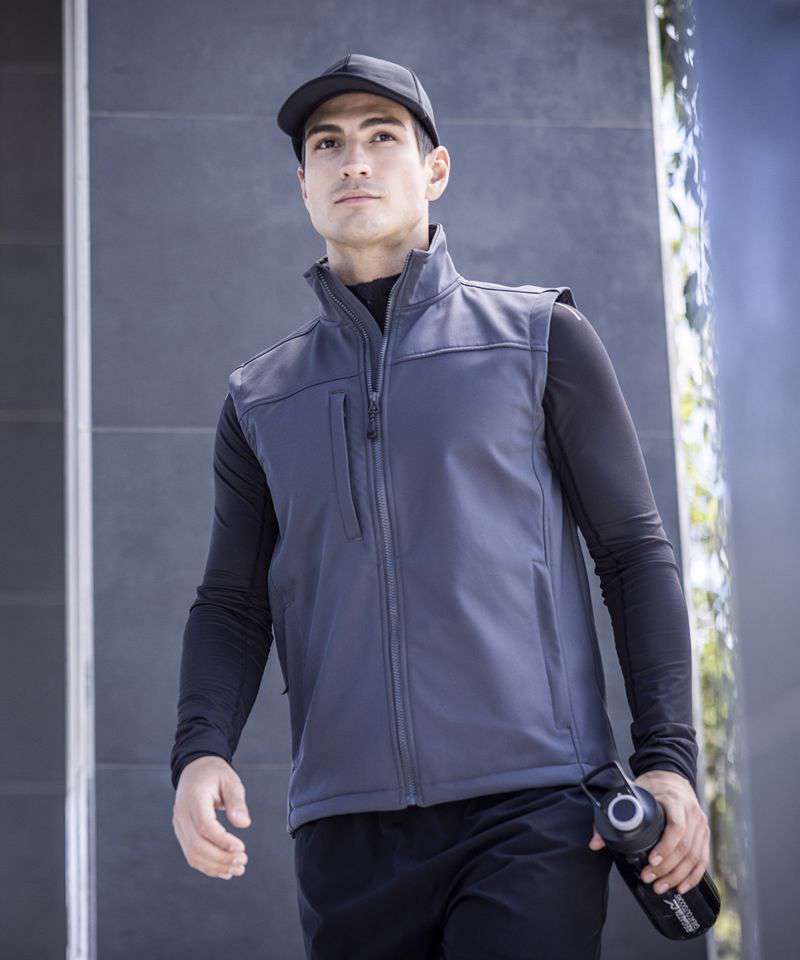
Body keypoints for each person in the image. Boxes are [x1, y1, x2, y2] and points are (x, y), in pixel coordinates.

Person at [170, 53, 711, 959]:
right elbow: (231, 602)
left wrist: (668, 761)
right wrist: (200, 750)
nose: (354, 161)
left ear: (435, 169)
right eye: (327, 145)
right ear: (302, 184)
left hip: (534, 808)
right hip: (345, 831)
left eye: (382, 137)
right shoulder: (260, 398)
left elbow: (633, 554)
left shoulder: (540, 339)